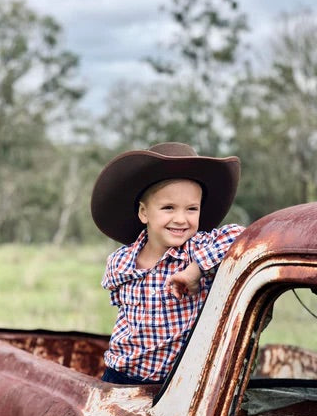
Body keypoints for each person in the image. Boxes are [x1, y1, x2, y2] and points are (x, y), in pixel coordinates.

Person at [91, 142, 245, 385]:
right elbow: (122, 307)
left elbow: (240, 235)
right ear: (144, 213)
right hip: (120, 375)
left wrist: (196, 270)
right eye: (168, 208)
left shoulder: (197, 249)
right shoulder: (119, 262)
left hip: (175, 384)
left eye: (192, 209)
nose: (181, 219)